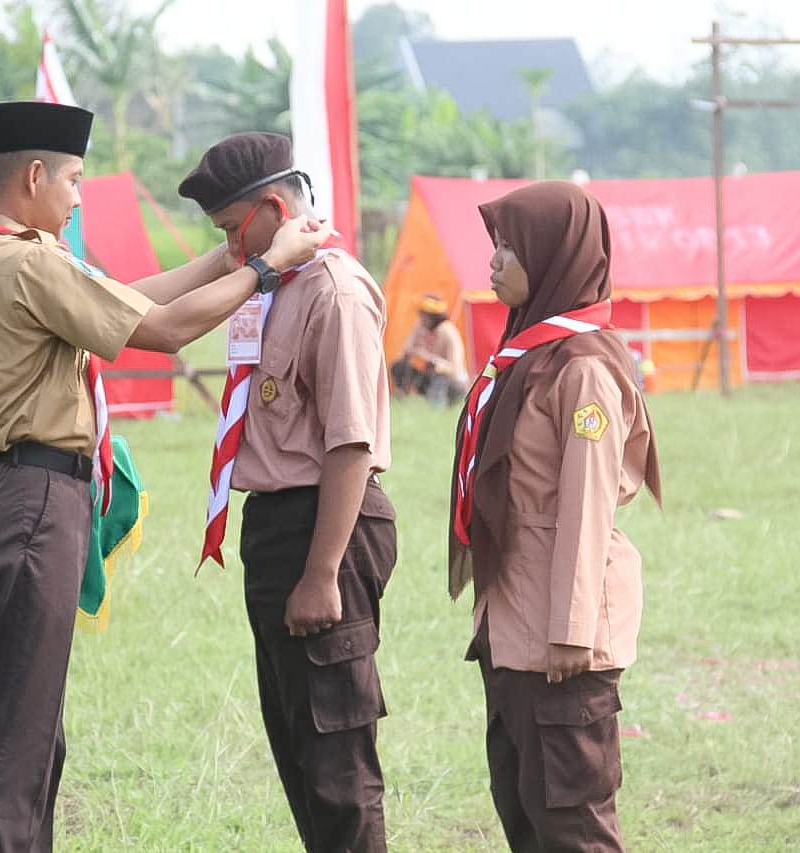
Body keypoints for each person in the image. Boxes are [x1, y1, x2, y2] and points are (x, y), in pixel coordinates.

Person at [0, 102, 329, 851]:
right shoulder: (29, 260)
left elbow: (129, 298)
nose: (80, 195)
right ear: (33, 175)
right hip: (27, 499)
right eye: (75, 180)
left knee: (25, 732)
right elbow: (164, 329)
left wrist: (226, 261)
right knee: (12, 743)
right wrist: (262, 266)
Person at [179, 131, 397, 853]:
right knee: (298, 747)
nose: (231, 252)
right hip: (275, 525)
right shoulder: (275, 283)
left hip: (322, 526)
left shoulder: (333, 290)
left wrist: (323, 572)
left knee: (336, 758)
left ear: (274, 206)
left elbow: (350, 445)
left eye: (232, 232)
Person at [446, 181, 662, 852]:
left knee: (573, 823)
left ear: (554, 257)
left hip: (559, 636)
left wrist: (571, 630)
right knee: (522, 806)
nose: (494, 262)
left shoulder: (585, 369)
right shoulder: (526, 354)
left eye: (510, 247)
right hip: (514, 620)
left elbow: (588, 507)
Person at [390, 293, 469, 406]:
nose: (420, 317)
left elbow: (456, 370)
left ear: (432, 315)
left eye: (423, 314)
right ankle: (401, 399)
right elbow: (404, 353)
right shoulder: (421, 327)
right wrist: (413, 351)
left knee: (440, 378)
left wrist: (431, 359)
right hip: (429, 377)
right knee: (398, 366)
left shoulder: (448, 332)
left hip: (452, 383)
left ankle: (439, 405)